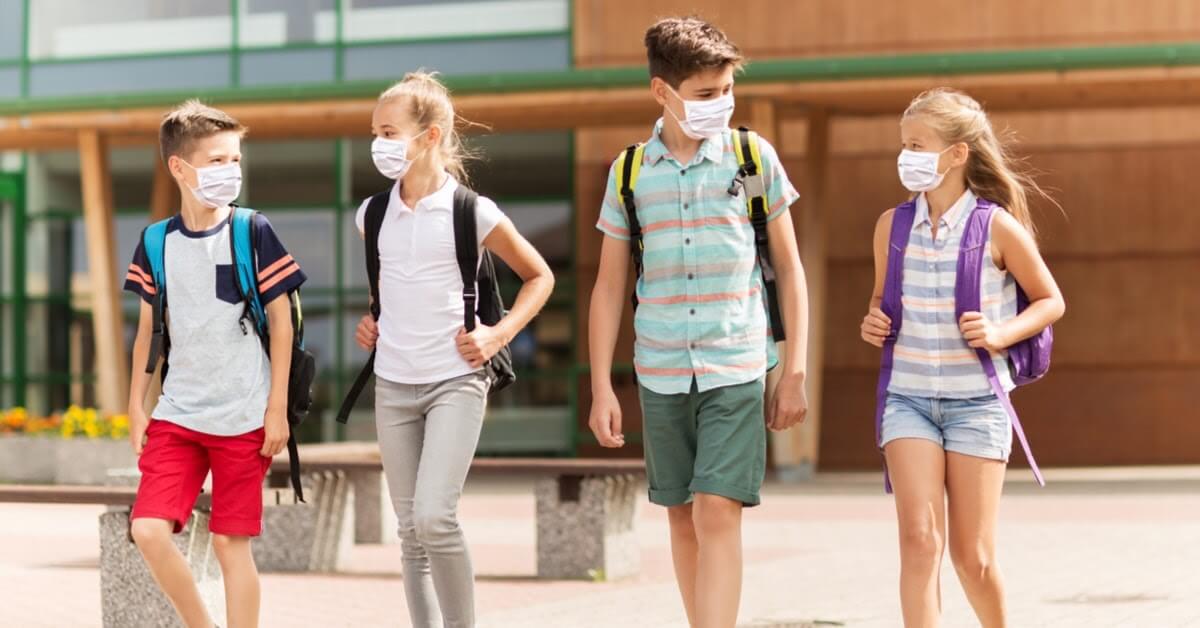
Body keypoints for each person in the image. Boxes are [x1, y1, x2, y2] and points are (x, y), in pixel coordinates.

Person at [587, 17, 810, 628]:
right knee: (682, 516)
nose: (722, 103)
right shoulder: (629, 174)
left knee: (717, 509)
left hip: (736, 361)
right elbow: (609, 287)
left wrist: (795, 370)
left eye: (727, 90)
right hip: (659, 369)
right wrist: (602, 386)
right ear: (663, 92)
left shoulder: (751, 156)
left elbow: (789, 269)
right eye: (706, 94)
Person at [352, 72, 555, 628]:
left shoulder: (472, 211)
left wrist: (498, 333)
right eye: (375, 131)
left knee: (435, 519)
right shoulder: (370, 215)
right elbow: (385, 291)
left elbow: (539, 277)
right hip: (393, 384)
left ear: (430, 135)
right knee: (410, 531)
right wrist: (371, 322)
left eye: (389, 132)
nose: (378, 143)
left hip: (455, 380)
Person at [860, 87, 1066, 628]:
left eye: (919, 144)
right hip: (907, 400)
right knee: (919, 541)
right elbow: (882, 305)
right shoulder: (891, 226)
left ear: (957, 154)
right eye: (904, 144)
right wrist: (873, 320)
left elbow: (1051, 300)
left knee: (972, 559)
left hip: (977, 404)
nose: (907, 156)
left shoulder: (995, 226)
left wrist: (1000, 332)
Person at [124, 100, 306, 628]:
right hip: (178, 416)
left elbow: (282, 323)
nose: (232, 171)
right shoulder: (156, 242)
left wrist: (277, 410)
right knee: (148, 530)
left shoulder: (253, 230)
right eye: (217, 161)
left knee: (231, 544)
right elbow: (146, 333)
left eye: (235, 160)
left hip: (246, 416)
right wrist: (137, 407)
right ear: (180, 168)